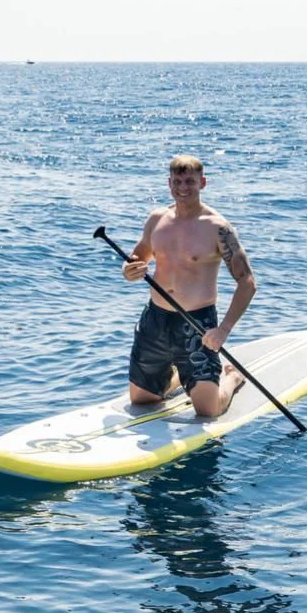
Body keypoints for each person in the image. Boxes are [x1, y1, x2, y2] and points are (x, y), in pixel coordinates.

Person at [119, 154, 257, 419]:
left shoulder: (218, 228)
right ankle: (180, 377)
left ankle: (230, 378)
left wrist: (223, 329)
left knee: (209, 411)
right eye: (177, 181)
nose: (183, 187)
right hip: (156, 320)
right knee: (141, 400)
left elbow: (247, 283)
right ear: (169, 183)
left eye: (190, 181)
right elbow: (137, 261)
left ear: (203, 183)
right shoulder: (157, 220)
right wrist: (129, 271)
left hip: (196, 324)